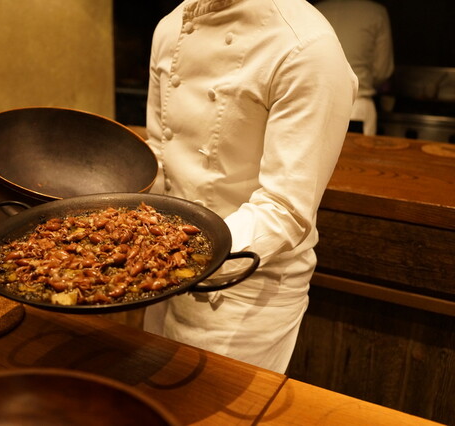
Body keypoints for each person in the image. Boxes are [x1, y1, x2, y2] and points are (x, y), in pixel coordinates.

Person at [142, 0, 357, 374]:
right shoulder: (171, 26)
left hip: (243, 291)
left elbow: (284, 208)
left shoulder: (306, 47)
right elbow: (160, 154)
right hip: (160, 272)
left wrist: (177, 258)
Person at [314, 0, 395, 135]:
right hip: (356, 108)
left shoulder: (316, 10)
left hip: (317, 105)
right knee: (357, 149)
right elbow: (382, 72)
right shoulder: (376, 13)